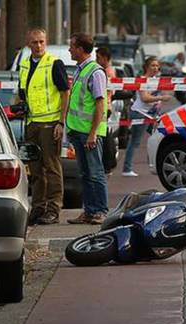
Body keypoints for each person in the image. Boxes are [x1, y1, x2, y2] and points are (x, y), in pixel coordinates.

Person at [18, 28, 71, 225]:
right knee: (35, 169)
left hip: (50, 123)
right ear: (28, 44)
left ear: (45, 42)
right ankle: (38, 207)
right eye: (34, 42)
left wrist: (60, 122)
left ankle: (53, 209)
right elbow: (24, 93)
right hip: (31, 122)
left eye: (41, 42)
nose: (38, 46)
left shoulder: (54, 63)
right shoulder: (24, 66)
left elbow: (65, 92)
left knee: (52, 168)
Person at [65, 33, 109, 225]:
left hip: (89, 133)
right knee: (85, 173)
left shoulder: (95, 72)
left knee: (95, 172)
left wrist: (92, 133)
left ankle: (100, 211)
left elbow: (100, 105)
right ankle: (89, 211)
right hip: (79, 131)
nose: (69, 50)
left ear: (81, 49)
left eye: (72, 46)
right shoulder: (81, 70)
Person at [122, 57, 172, 177]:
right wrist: (160, 98)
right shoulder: (143, 80)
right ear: (147, 67)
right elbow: (145, 98)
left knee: (160, 137)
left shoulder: (156, 80)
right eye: (153, 66)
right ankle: (126, 169)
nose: (155, 68)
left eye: (157, 66)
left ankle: (156, 164)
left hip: (151, 115)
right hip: (139, 113)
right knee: (135, 141)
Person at [95, 46, 118, 175]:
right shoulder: (106, 71)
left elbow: (110, 91)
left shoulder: (107, 72)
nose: (97, 60)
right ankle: (108, 162)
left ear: (104, 58)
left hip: (104, 106)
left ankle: (107, 162)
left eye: (98, 58)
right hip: (105, 106)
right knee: (104, 135)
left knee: (102, 136)